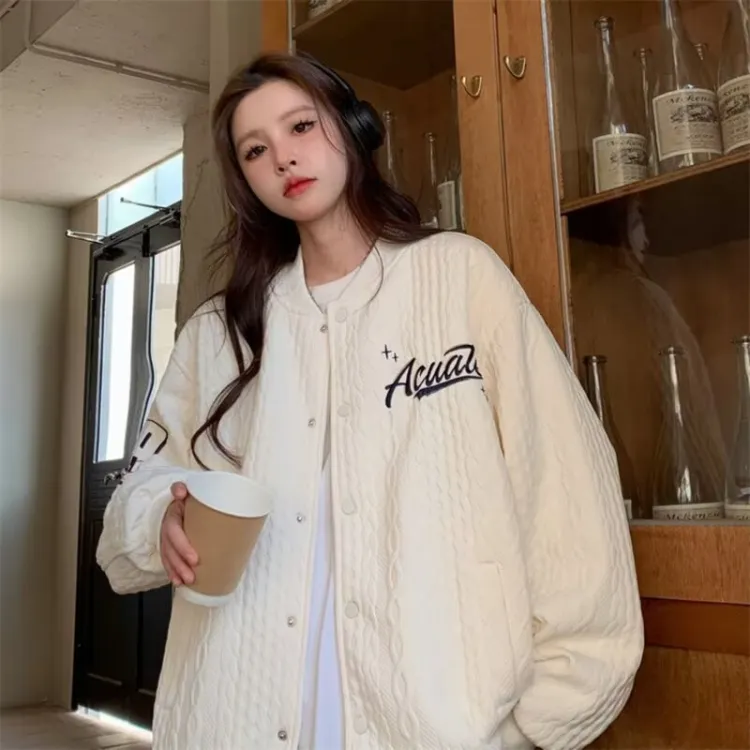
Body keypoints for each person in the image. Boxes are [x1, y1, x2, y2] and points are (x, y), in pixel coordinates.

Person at [96, 51, 644, 750]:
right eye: (256, 150)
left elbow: (565, 493)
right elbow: (128, 514)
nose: (283, 158)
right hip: (234, 715)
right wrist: (160, 520)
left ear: (351, 127)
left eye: (301, 126)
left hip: (431, 725)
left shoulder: (459, 278)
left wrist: (539, 723)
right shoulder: (217, 335)